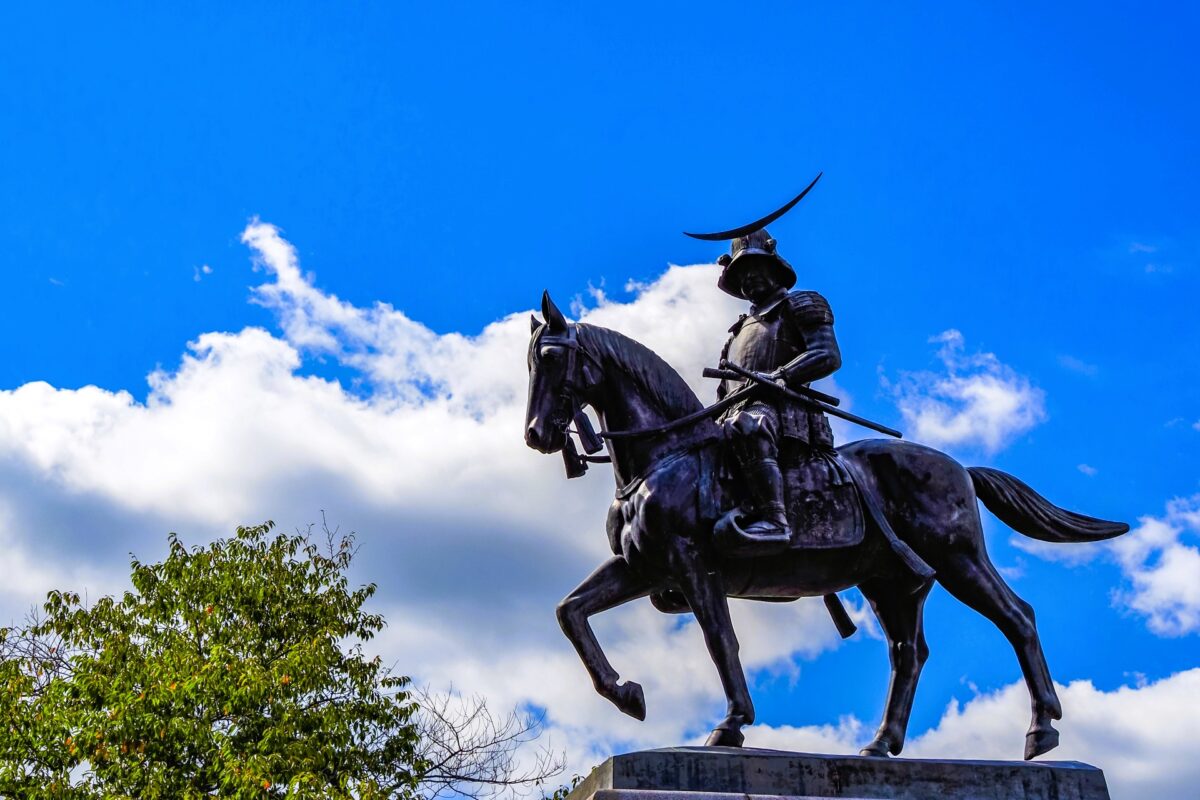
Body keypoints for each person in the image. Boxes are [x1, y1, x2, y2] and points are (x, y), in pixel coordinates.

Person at [714, 228, 841, 553]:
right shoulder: (736, 332)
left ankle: (775, 520)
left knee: (748, 427)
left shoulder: (801, 304)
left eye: (755, 269)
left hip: (783, 411)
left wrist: (781, 376)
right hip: (734, 414)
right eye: (741, 275)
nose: (749, 279)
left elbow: (827, 354)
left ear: (774, 268)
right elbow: (723, 391)